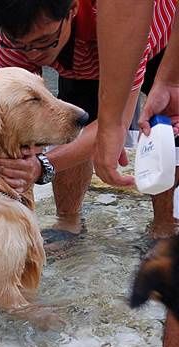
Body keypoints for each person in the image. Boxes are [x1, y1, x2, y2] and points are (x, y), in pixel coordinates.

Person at [0, 0, 176, 239]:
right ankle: (67, 222)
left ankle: (164, 229)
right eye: (23, 46)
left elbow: (114, 124)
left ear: (72, 10)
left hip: (160, 44)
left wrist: (42, 166)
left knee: (169, 130)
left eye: (43, 42)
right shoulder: (14, 39)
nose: (34, 54)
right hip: (80, 54)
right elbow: (18, 130)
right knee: (63, 125)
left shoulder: (118, 20)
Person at [95, 0, 179, 238]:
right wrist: (170, 80)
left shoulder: (135, 28)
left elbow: (128, 8)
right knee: (167, 122)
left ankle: (166, 226)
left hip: (158, 31)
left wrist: (110, 125)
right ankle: (164, 230)